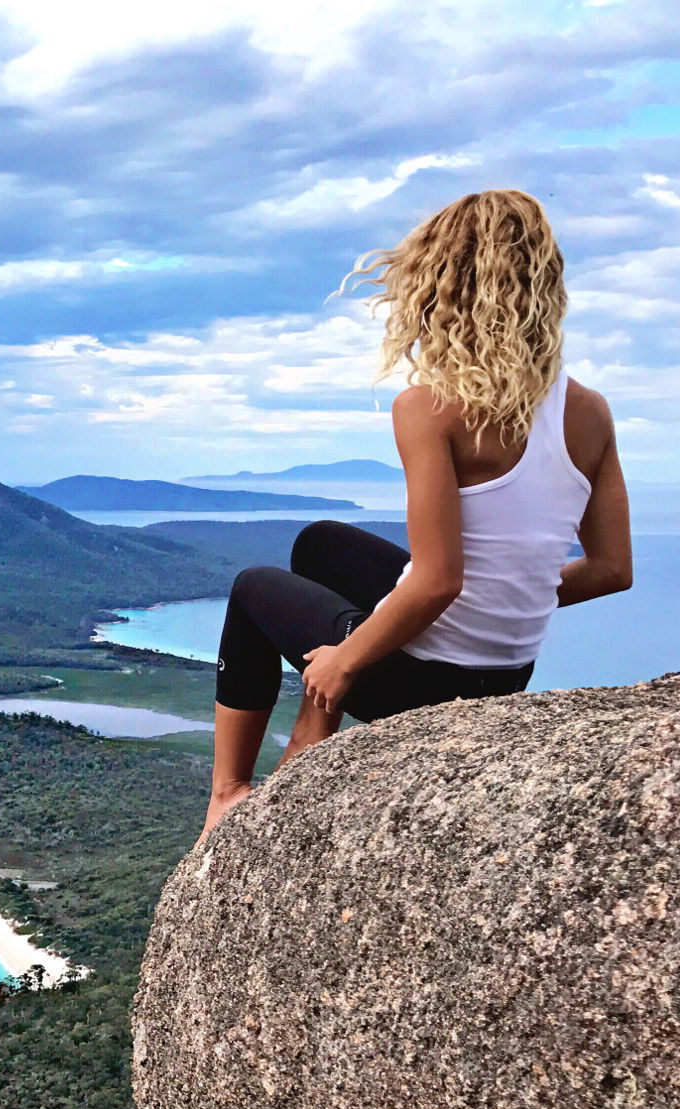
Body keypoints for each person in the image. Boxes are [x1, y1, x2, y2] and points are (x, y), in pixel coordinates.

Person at [201, 188, 633, 838]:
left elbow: (437, 581)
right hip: (508, 675)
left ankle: (228, 798)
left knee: (252, 590)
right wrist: (510, 598)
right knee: (319, 544)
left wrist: (345, 661)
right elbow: (609, 569)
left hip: (422, 683)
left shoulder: (431, 406)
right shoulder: (590, 411)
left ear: (444, 286)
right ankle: (314, 728)